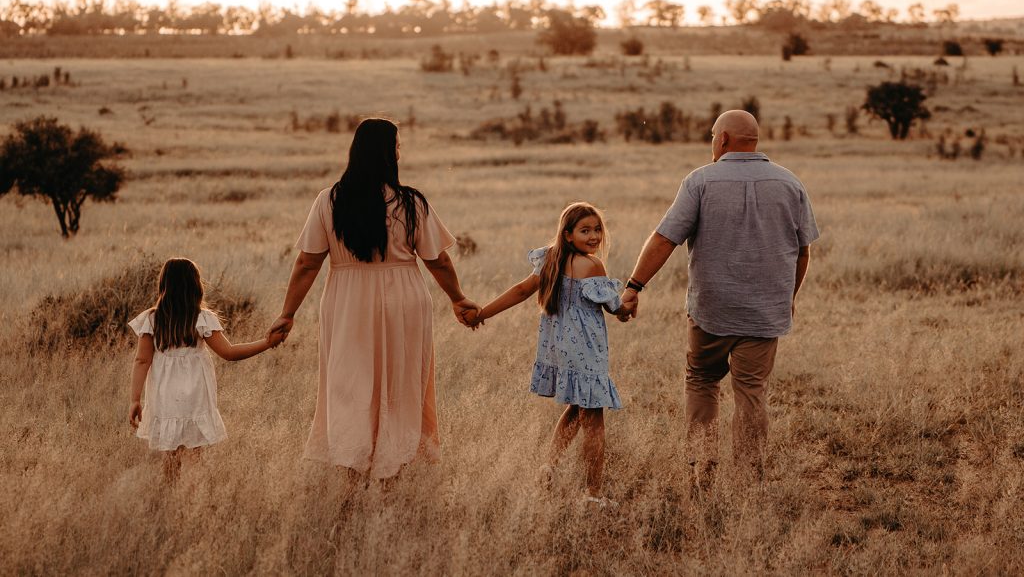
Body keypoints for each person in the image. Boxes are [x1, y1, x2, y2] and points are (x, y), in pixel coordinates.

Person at [268, 118, 479, 479]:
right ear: (386, 153)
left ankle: (354, 471)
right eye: (397, 145)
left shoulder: (329, 200)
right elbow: (438, 260)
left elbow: (307, 262)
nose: (400, 151)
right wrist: (458, 299)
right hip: (404, 299)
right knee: (401, 381)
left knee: (350, 383)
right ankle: (390, 473)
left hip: (347, 301)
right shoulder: (410, 202)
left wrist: (287, 314)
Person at [618, 109, 819, 478]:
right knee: (752, 390)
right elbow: (803, 250)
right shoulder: (790, 183)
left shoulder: (700, 181)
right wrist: (788, 297)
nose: (712, 141)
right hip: (764, 314)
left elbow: (665, 239)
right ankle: (748, 474)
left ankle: (702, 466)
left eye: (712, 135)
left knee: (701, 378)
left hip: (711, 310)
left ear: (723, 139)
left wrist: (633, 287)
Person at [465, 202, 622, 505]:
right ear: (567, 234)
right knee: (594, 420)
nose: (594, 236)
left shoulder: (550, 259)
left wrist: (483, 312)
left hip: (560, 349)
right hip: (587, 351)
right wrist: (629, 302)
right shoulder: (592, 266)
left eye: (597, 229)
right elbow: (614, 306)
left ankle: (548, 470)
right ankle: (593, 494)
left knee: (577, 409)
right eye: (585, 230)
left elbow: (521, 290)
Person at [128, 257, 284, 478]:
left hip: (165, 395)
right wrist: (267, 343)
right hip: (195, 395)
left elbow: (141, 361)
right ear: (196, 285)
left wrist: (135, 399)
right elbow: (229, 353)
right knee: (194, 453)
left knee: (170, 453)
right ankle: (193, 499)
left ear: (163, 284)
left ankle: (170, 497)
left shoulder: (152, 319)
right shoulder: (201, 318)